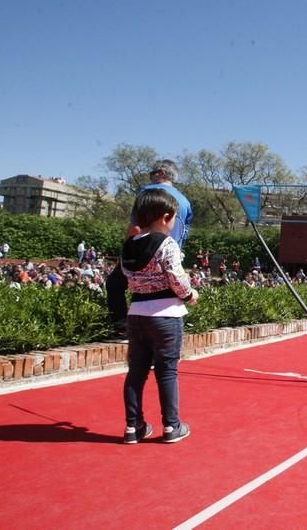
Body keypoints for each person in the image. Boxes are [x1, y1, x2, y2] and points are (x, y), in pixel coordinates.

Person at [120, 188, 198, 444]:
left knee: (136, 372)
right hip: (166, 315)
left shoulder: (128, 245)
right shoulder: (167, 244)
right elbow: (176, 277)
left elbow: (127, 278)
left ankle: (133, 427)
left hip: (137, 315)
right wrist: (189, 296)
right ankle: (171, 426)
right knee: (166, 372)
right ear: (165, 217)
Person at [106, 160, 193, 336]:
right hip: (171, 253)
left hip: (145, 250)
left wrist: (128, 248)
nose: (150, 177)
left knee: (115, 285)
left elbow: (135, 227)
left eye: (151, 173)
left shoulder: (148, 193)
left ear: (160, 173)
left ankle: (122, 326)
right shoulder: (185, 202)